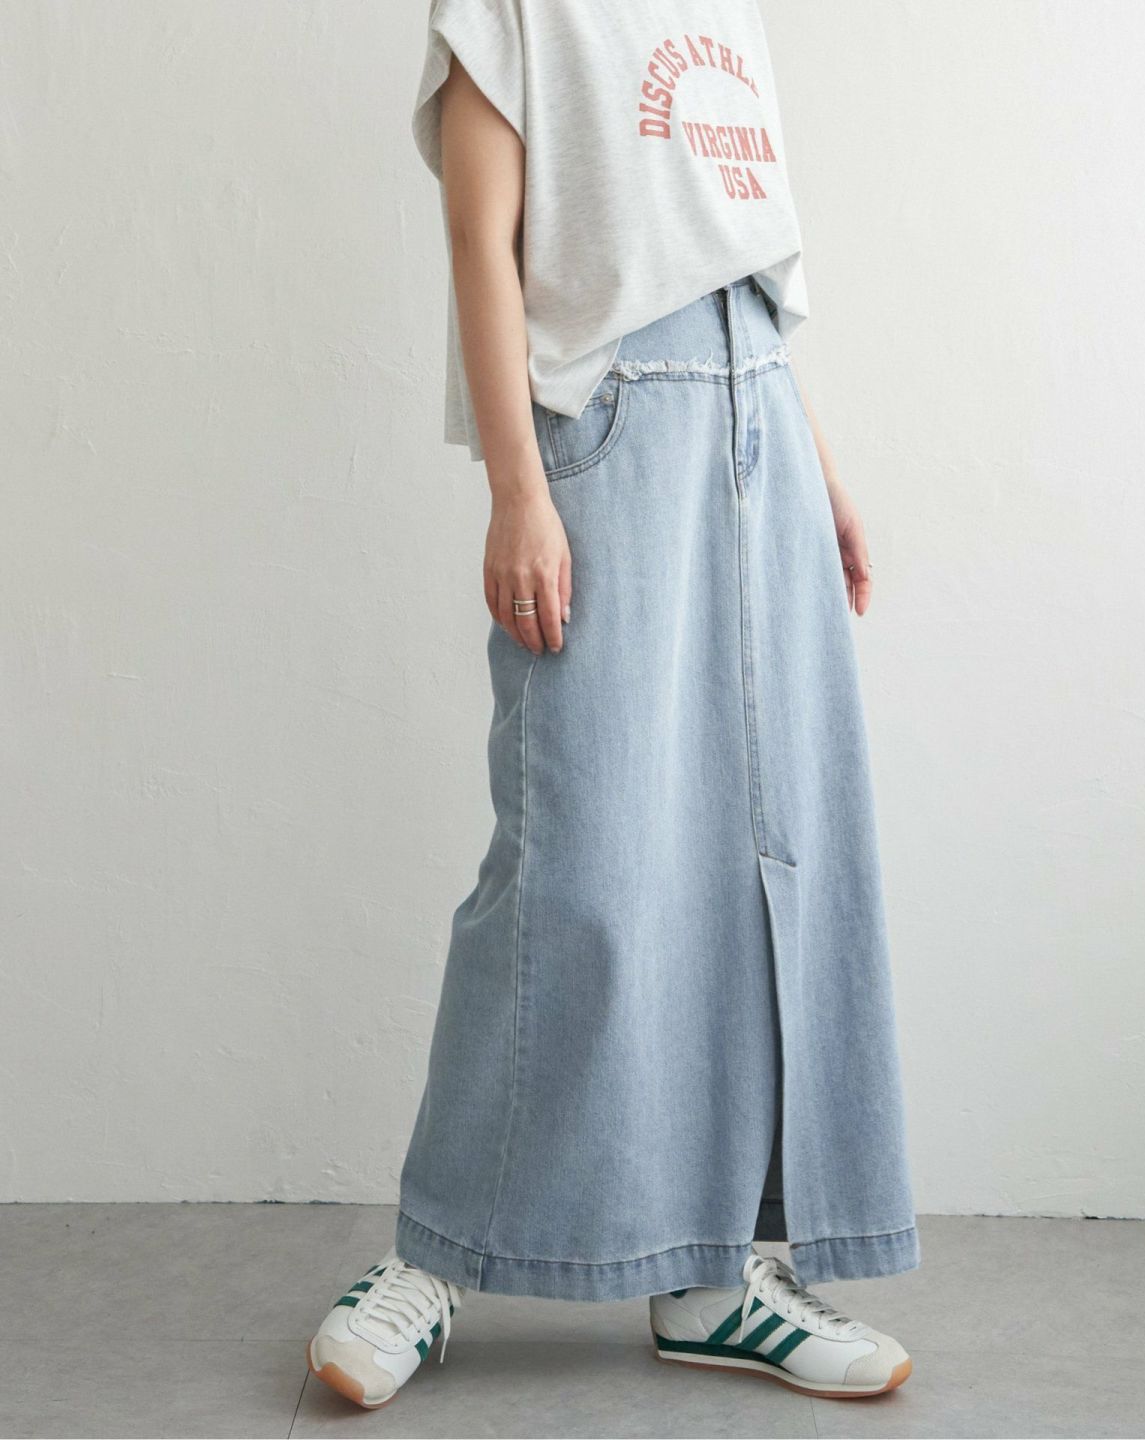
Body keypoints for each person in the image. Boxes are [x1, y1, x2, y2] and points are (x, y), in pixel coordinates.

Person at [307, 0, 920, 1410]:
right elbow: (482, 237)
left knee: (759, 855)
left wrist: (818, 470)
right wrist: (516, 488)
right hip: (609, 421)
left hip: (759, 419)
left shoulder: (726, 13)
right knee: (573, 864)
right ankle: (434, 1255)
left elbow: (740, 263)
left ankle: (711, 1275)